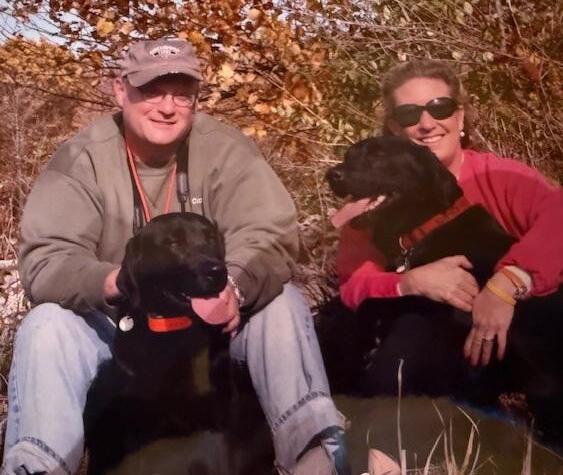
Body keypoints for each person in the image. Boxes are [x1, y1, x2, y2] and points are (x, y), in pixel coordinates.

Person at [1, 37, 350, 475]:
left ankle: (315, 456)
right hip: (120, 325)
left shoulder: (225, 149)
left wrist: (235, 286)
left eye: (181, 93)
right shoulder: (81, 158)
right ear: (120, 90)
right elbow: (46, 259)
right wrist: (122, 281)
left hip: (215, 322)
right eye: (151, 90)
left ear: (195, 98)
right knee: (46, 325)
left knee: (283, 303)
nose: (167, 107)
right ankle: (37, 465)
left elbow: (270, 234)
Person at [335, 59, 563, 437]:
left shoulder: (499, 175)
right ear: (393, 128)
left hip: (524, 331)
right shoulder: (374, 200)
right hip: (439, 343)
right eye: (409, 114)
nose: (427, 123)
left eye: (440, 108)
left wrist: (507, 283)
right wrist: (410, 282)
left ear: (460, 117)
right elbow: (354, 283)